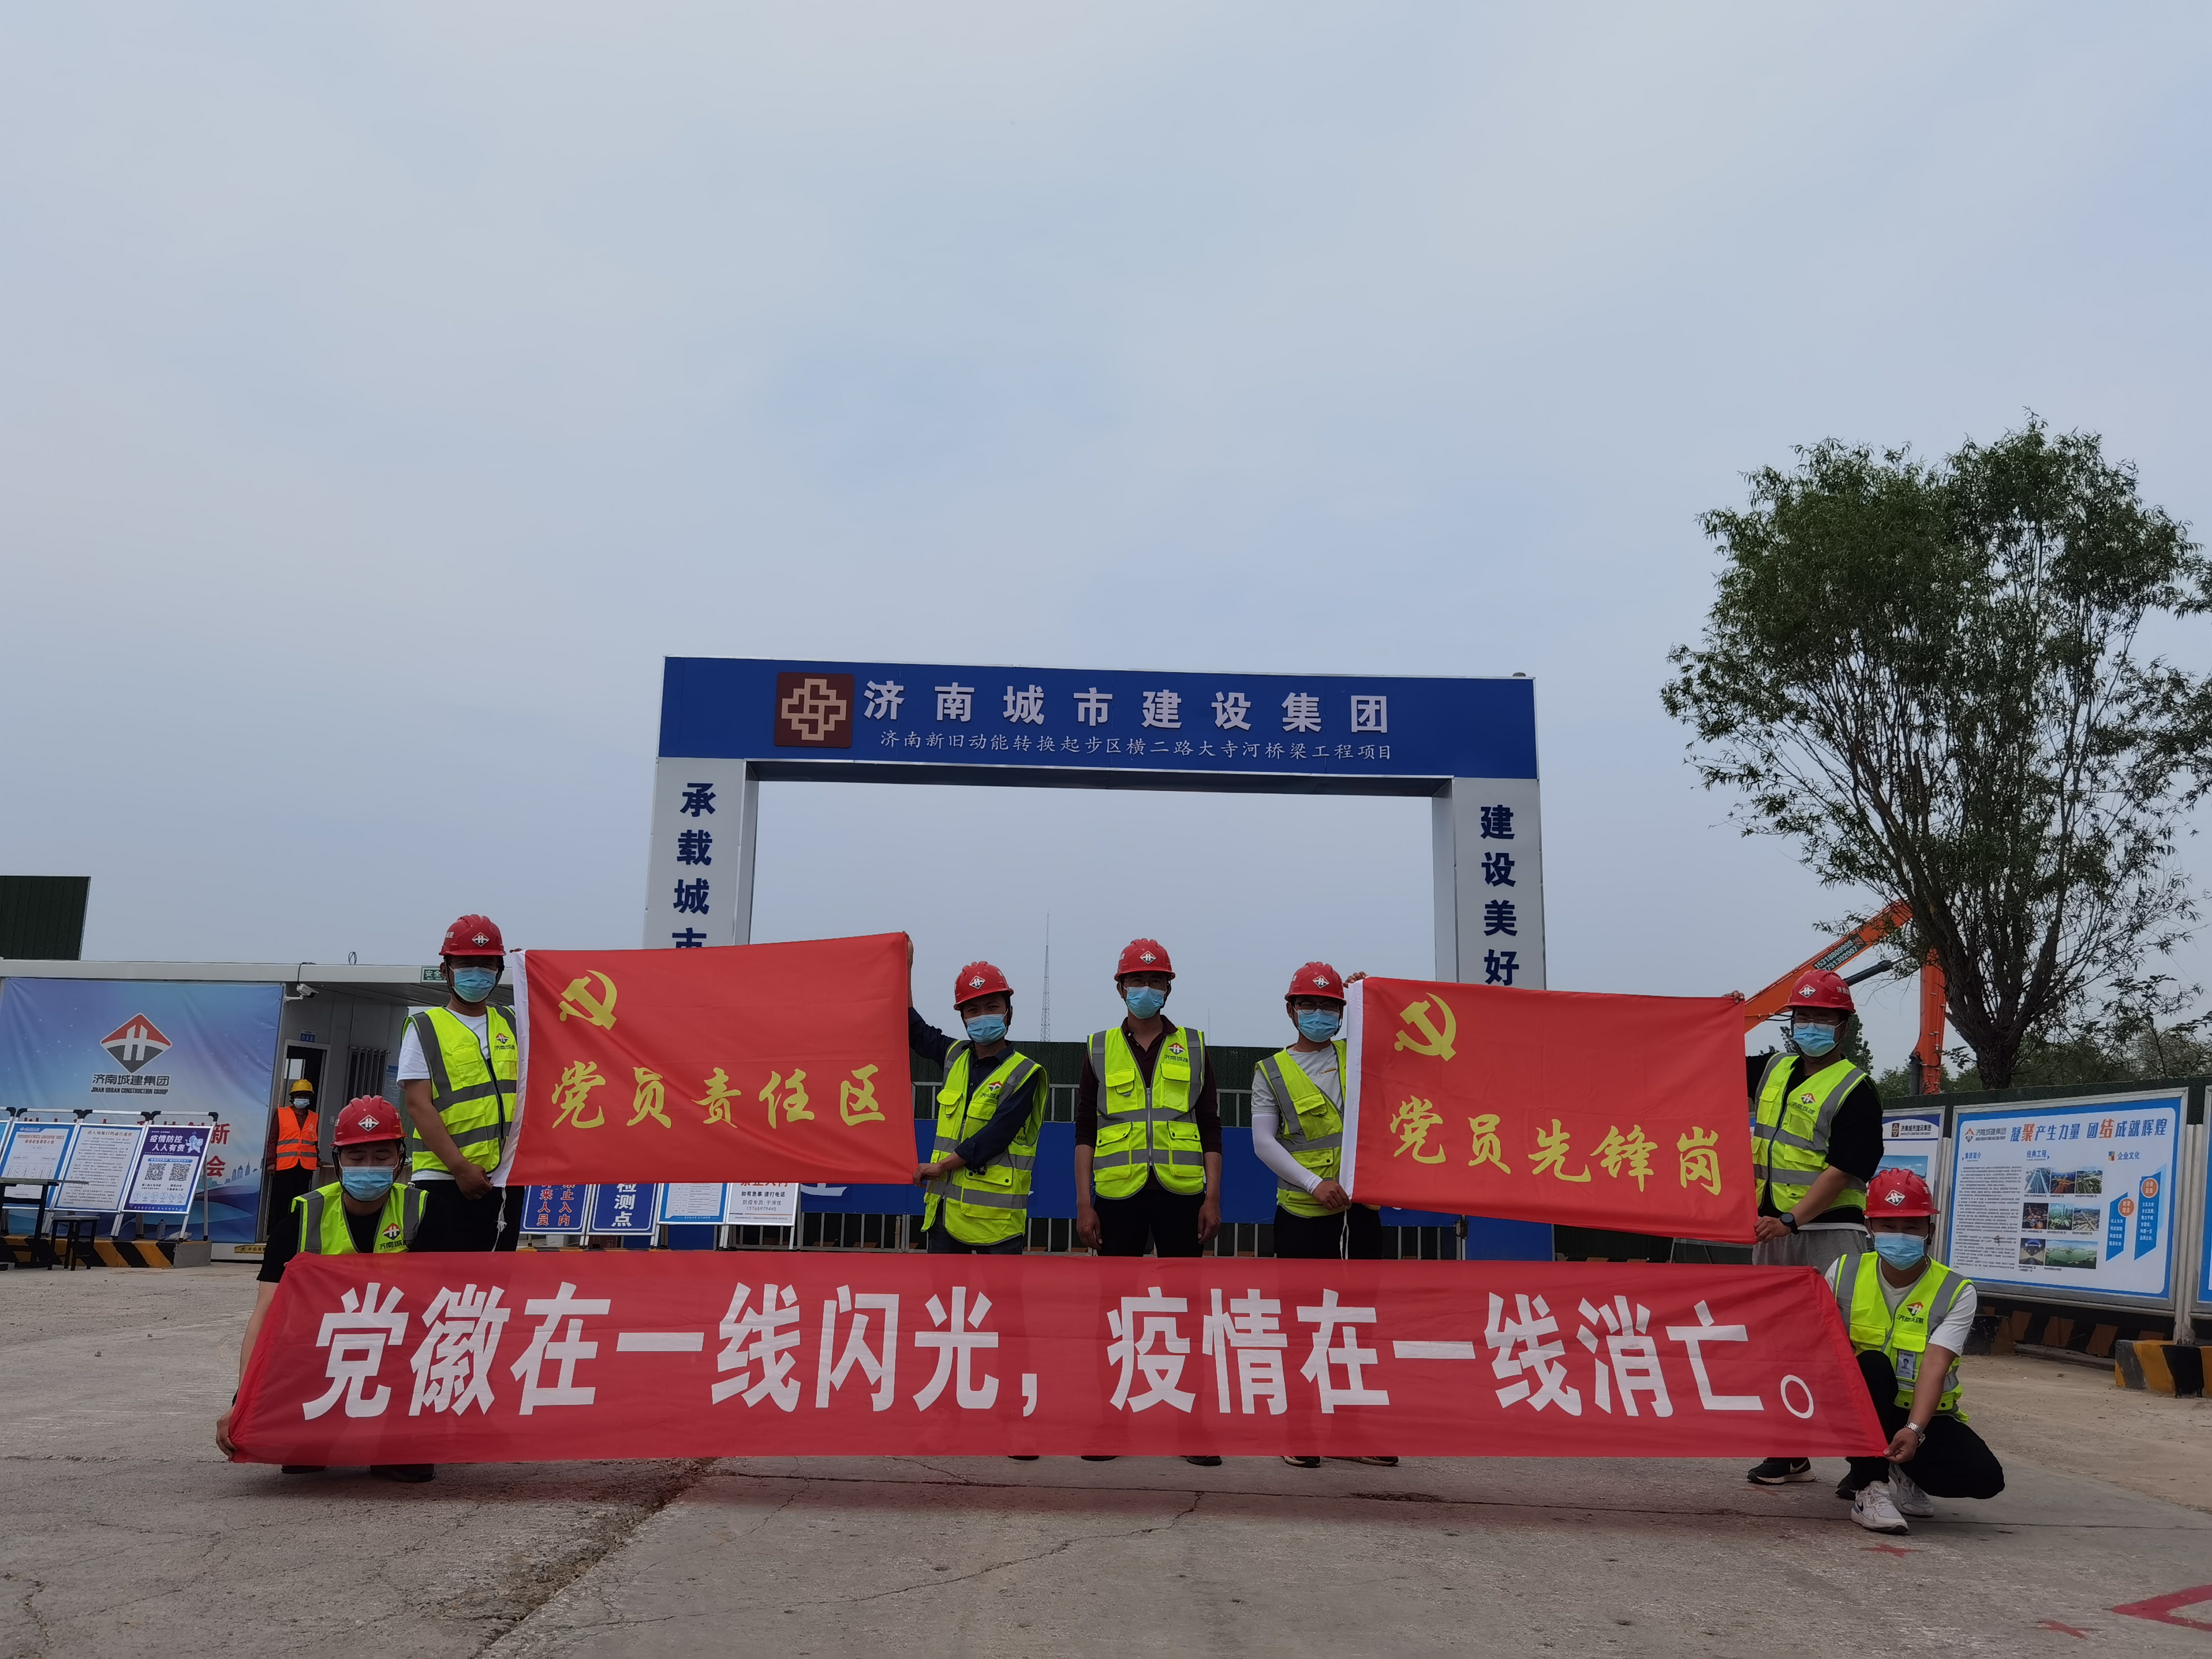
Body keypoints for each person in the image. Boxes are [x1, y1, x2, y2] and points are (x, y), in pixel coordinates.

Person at [215, 1096, 432, 1482]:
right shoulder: (302, 1218)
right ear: (338, 1160)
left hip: (401, 1349)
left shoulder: (426, 1212)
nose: (369, 1168)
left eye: (382, 1156)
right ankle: (311, 1429)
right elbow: (266, 1313)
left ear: (400, 1159)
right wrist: (242, 1400)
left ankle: (399, 1436)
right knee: (299, 1454)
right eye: (357, 1158)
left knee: (408, 1461)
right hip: (323, 1348)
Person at [1074, 938, 1224, 1467]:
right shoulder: (1098, 1048)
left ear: (1168, 988)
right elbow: (1084, 1131)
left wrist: (1213, 1197)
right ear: (1120, 988)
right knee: (1114, 1312)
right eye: (1136, 981)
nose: (1146, 989)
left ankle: (1192, 1427)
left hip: (1182, 1196)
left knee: (1186, 1311)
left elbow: (1211, 1127)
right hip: (1118, 1197)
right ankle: (1110, 1423)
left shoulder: (1195, 1046)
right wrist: (1084, 1203)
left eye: (1155, 980)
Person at [1252, 960, 1396, 1471]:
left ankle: (1349, 1431)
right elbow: (1264, 1142)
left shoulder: (1357, 1056)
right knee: (1302, 1325)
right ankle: (1299, 1431)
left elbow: (1402, 1044)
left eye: (1330, 1006)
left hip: (1360, 1215)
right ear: (1291, 1010)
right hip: (1303, 1216)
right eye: (1309, 1005)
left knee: (1357, 1326)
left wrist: (1367, 999)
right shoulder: (1270, 1072)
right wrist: (1314, 1184)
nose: (1319, 1014)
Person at [1744, 967, 1880, 1487]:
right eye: (1802, 1016)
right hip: (1773, 1231)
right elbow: (1707, 1064)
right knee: (1779, 1345)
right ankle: (1789, 1450)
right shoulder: (1772, 1070)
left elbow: (1844, 1167)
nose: (1811, 1026)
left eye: (1823, 1018)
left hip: (1829, 1236)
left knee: (1843, 1347)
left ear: (1843, 1027)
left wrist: (1792, 1220)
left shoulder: (1855, 1090)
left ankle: (1864, 1463)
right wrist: (1721, 1019)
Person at [1830, 1168, 2004, 1533]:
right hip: (1856, 1407)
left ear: (1930, 1230)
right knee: (1872, 1364)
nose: (1900, 1236)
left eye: (1912, 1227)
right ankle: (1869, 1487)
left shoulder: (1955, 1290)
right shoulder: (1844, 1272)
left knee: (1985, 1478)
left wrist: (1914, 1429)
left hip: (1919, 1412)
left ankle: (1902, 1470)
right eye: (1889, 1226)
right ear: (1869, 1227)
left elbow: (1935, 1365)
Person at [399, 913, 522, 1253]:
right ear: (446, 970)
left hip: (503, 1179)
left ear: (499, 971)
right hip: (444, 1178)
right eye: (466, 964)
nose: (477, 974)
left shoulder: (513, 1022)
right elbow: (418, 1105)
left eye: (487, 965)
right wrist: (460, 1168)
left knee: (496, 1278)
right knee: (442, 1279)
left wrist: (532, 971)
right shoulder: (425, 1027)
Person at [908, 957, 1049, 1256]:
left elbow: (996, 1136)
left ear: (1009, 1012)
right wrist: (904, 966)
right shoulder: (954, 1056)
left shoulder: (1025, 1073)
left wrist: (941, 1166)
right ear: (963, 1018)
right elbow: (913, 1029)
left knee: (1001, 1290)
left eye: (992, 1007)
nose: (983, 1016)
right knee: (943, 1290)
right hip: (945, 1216)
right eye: (973, 1010)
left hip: (996, 1225)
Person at [259, 1076, 322, 1282]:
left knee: (300, 1204)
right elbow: (273, 1139)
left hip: (305, 1167)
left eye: (306, 1096)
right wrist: (271, 1162)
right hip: (285, 1166)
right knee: (282, 1204)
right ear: (292, 1097)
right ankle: (278, 1238)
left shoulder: (314, 1117)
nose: (303, 1099)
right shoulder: (282, 1114)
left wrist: (317, 1158)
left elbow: (313, 1141)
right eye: (299, 1095)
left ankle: (296, 1237)